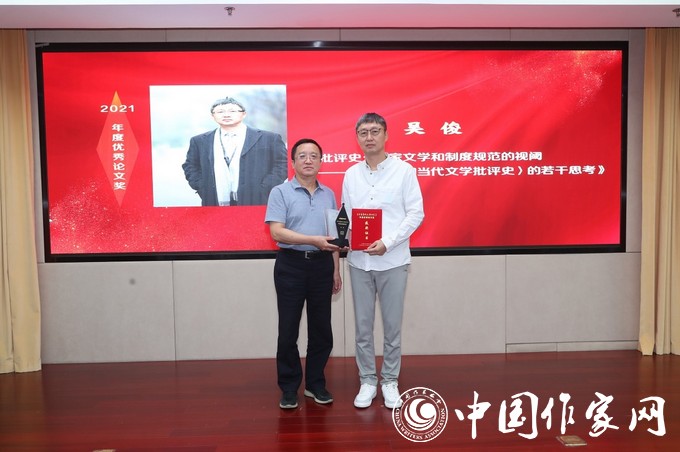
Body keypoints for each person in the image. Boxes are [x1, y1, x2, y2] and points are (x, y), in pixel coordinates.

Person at [341, 112, 424, 409]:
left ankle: (389, 380)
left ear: (386, 135)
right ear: (357, 138)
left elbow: (416, 213)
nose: (369, 137)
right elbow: (346, 215)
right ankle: (367, 380)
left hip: (393, 261)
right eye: (363, 132)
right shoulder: (351, 174)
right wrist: (345, 237)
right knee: (363, 327)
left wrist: (388, 241)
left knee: (392, 327)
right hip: (359, 262)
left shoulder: (404, 171)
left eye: (375, 131)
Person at [265, 138, 343, 409]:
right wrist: (313, 240)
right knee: (288, 330)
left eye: (313, 156)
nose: (308, 160)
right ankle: (289, 388)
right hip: (291, 265)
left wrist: (336, 270)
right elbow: (277, 232)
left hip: (322, 266)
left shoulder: (328, 194)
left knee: (322, 330)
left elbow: (333, 236)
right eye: (302, 156)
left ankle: (315, 383)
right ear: (293, 162)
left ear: (321, 161)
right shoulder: (280, 192)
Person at [182, 96, 288, 206]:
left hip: (256, 199)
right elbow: (190, 166)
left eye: (232, 111)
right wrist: (202, 187)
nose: (226, 115)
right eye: (220, 112)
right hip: (214, 200)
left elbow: (283, 163)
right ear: (212, 116)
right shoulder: (199, 141)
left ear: (244, 114)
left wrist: (265, 187)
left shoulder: (269, 138)